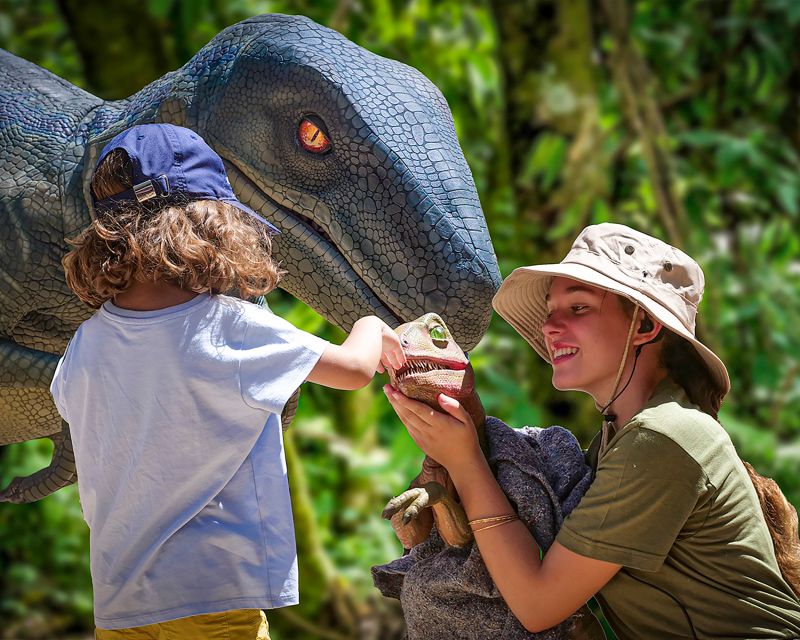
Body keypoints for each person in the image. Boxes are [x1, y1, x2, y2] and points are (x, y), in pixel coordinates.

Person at [50, 123, 406, 638]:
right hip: (213, 593)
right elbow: (353, 370)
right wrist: (371, 326)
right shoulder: (223, 324)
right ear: (211, 223)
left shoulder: (87, 342)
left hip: (120, 599)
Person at [384, 223, 800, 638]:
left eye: (578, 308)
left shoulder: (663, 435)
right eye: (549, 311)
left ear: (644, 326)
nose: (550, 327)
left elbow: (537, 604)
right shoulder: (613, 441)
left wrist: (465, 460)